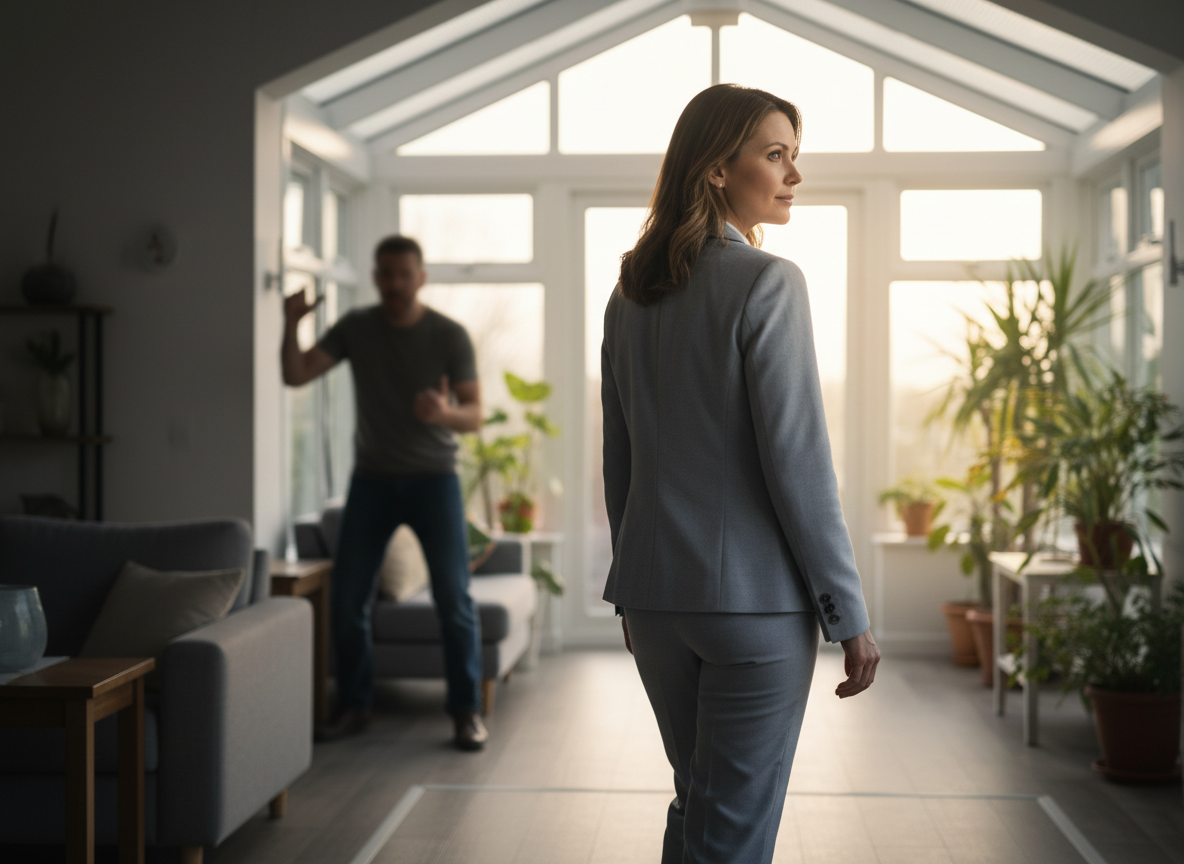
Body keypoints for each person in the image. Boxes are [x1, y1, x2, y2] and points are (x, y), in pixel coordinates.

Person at [601, 84, 881, 863]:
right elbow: (799, 464)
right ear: (719, 169)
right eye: (775, 154)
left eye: (794, 157)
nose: (793, 175)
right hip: (751, 612)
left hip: (655, 604)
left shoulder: (629, 297)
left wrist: (633, 588)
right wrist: (847, 613)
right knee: (733, 834)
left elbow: (618, 459)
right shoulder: (768, 281)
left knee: (699, 809)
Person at [281, 235, 489, 751]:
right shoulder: (357, 328)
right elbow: (296, 373)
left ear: (420, 277)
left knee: (454, 601)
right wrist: (290, 322)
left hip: (434, 479)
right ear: (376, 278)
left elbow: (476, 414)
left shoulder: (449, 335)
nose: (394, 283)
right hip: (372, 480)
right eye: (386, 274)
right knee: (348, 598)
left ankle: (466, 712)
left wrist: (443, 415)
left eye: (404, 274)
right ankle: (354, 705)